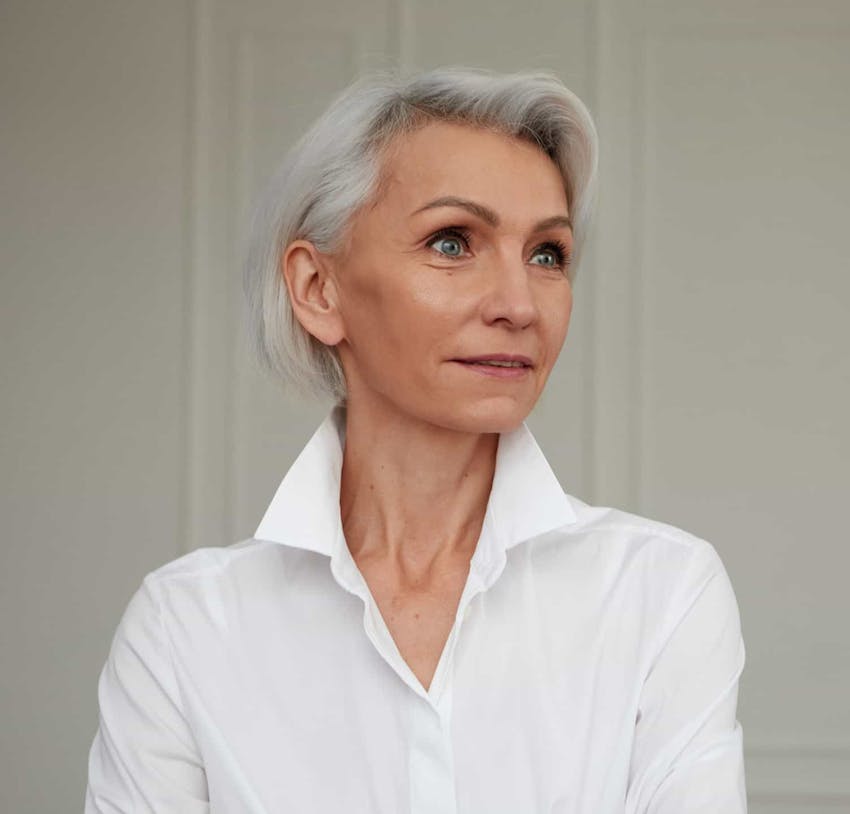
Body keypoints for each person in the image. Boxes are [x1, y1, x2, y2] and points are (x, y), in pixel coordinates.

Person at [85, 66, 747, 812]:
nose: (519, 305)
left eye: (547, 254)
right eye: (452, 242)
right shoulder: (184, 628)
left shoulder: (661, 594)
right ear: (317, 289)